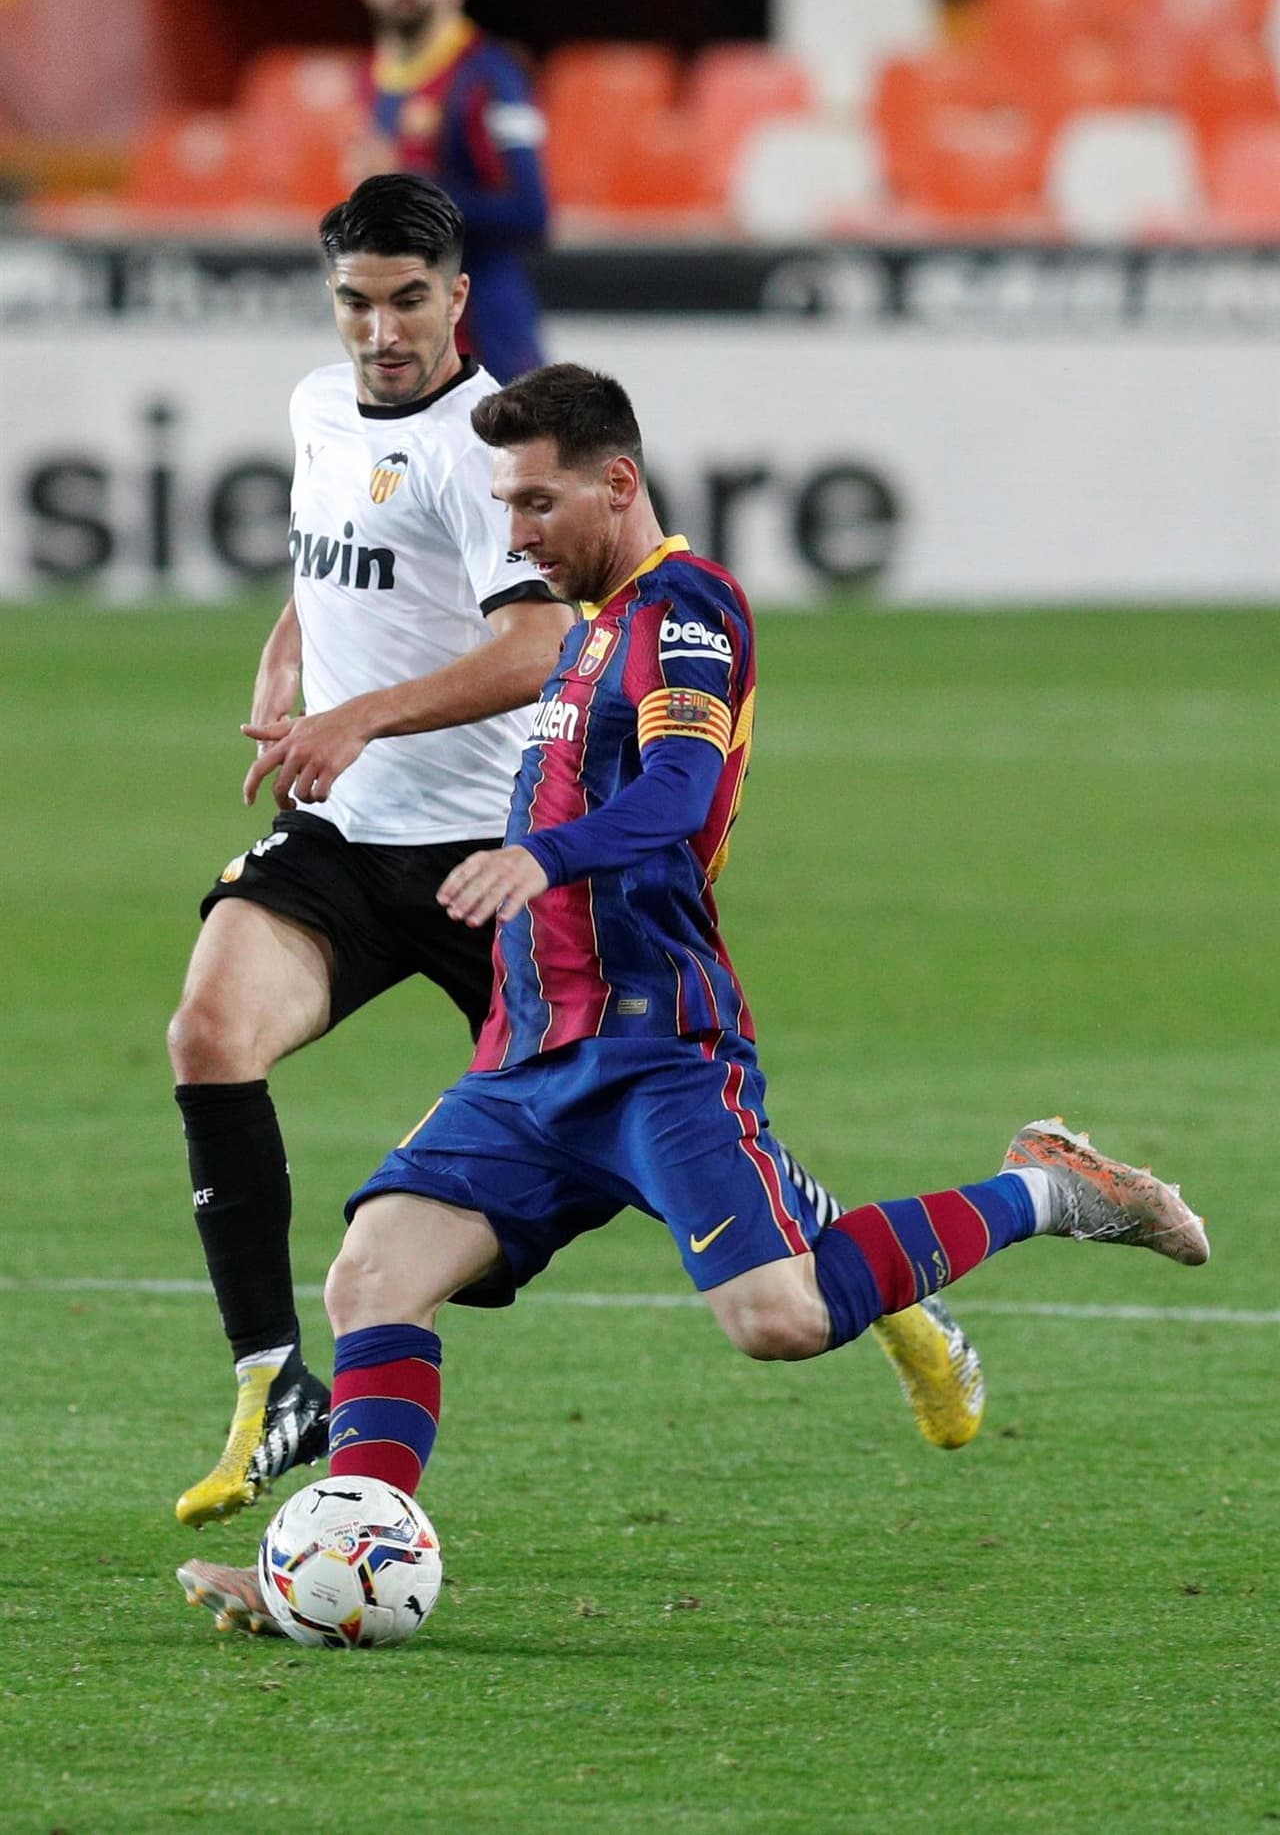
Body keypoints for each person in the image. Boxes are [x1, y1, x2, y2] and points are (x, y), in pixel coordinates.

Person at [178, 364, 1208, 1634]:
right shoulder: (587, 627)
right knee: (372, 1275)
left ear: (618, 482)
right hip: (529, 1054)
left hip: (655, 1045)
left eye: (538, 502)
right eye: (503, 505)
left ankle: (1051, 1185)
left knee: (775, 1316)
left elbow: (674, 790)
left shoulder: (685, 610)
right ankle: (326, 1570)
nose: (516, 534)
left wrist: (538, 857)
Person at [169, 177, 986, 1536]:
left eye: (408, 300)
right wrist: (292, 655)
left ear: (456, 300)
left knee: (650, 1118)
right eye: (356, 301)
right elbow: (327, 558)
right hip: (345, 834)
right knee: (210, 1031)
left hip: (494, 852)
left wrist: (363, 715)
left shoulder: (483, 452)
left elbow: (540, 646)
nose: (379, 331)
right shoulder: (320, 409)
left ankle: (875, 1270)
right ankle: (277, 1389)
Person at [353, 0, 548, 383]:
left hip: (488, 346)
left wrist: (408, 188)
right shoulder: (367, 80)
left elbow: (532, 213)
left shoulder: (494, 77)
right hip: (403, 351)